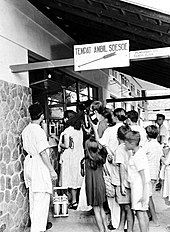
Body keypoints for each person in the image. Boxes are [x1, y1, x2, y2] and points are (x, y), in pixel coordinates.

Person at [22, 102, 58, 232]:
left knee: (34, 198)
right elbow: (43, 152)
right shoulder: (39, 131)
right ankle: (38, 229)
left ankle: (36, 227)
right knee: (42, 199)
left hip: (30, 164)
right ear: (42, 116)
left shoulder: (26, 129)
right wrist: (52, 170)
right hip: (38, 165)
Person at [96, 108, 127, 230]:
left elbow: (100, 143)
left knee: (111, 195)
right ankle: (124, 224)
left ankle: (115, 222)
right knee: (125, 198)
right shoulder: (129, 128)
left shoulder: (110, 130)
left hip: (111, 165)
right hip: (126, 167)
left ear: (115, 116)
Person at [124, 131, 150, 232]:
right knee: (143, 212)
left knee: (140, 214)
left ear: (132, 143)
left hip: (139, 187)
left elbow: (143, 176)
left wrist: (143, 194)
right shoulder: (138, 152)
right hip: (138, 186)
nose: (124, 145)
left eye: (126, 143)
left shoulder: (138, 156)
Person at [59, 112, 84, 209]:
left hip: (69, 157)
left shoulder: (67, 131)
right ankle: (76, 200)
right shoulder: (79, 130)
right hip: (78, 156)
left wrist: (58, 142)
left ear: (67, 119)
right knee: (76, 178)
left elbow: (66, 145)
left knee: (70, 178)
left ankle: (72, 201)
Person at [82, 137, 108, 232]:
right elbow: (104, 149)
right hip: (100, 185)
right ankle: (106, 228)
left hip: (91, 186)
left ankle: (101, 230)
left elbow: (83, 174)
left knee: (96, 210)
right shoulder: (101, 159)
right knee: (101, 208)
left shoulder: (86, 161)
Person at [115, 125, 134, 232]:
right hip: (130, 181)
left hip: (122, 181)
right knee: (124, 206)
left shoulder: (120, 149)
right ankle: (121, 227)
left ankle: (130, 229)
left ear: (118, 137)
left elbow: (121, 167)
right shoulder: (130, 146)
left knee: (127, 208)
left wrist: (121, 184)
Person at [144, 125, 163, 226]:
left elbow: (141, 155)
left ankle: (155, 220)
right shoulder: (158, 145)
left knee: (148, 196)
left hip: (148, 173)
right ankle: (150, 216)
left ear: (147, 135)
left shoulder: (148, 145)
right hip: (155, 173)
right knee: (148, 195)